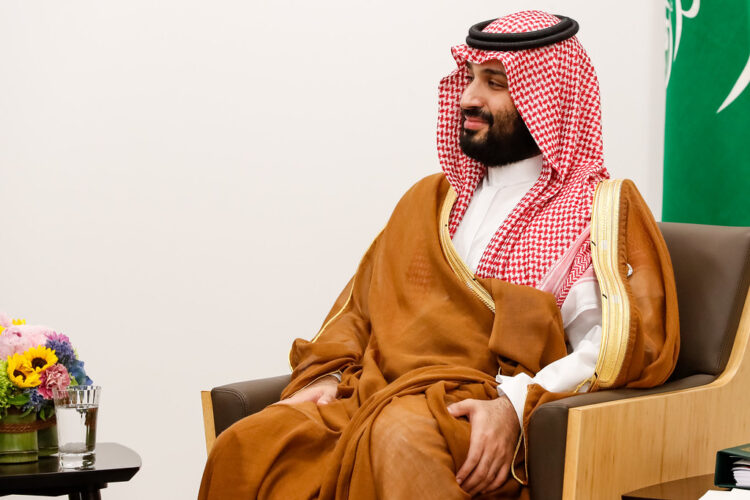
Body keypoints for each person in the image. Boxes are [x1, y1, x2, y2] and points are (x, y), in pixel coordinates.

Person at [199, 10, 679, 499]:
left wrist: (512, 408)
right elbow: (360, 311)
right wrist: (329, 375)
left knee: (399, 438)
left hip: (477, 406)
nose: (469, 97)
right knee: (247, 442)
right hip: (377, 392)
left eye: (494, 83)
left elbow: (606, 348)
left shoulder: (595, 209)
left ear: (548, 99)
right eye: (469, 78)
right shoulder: (430, 201)